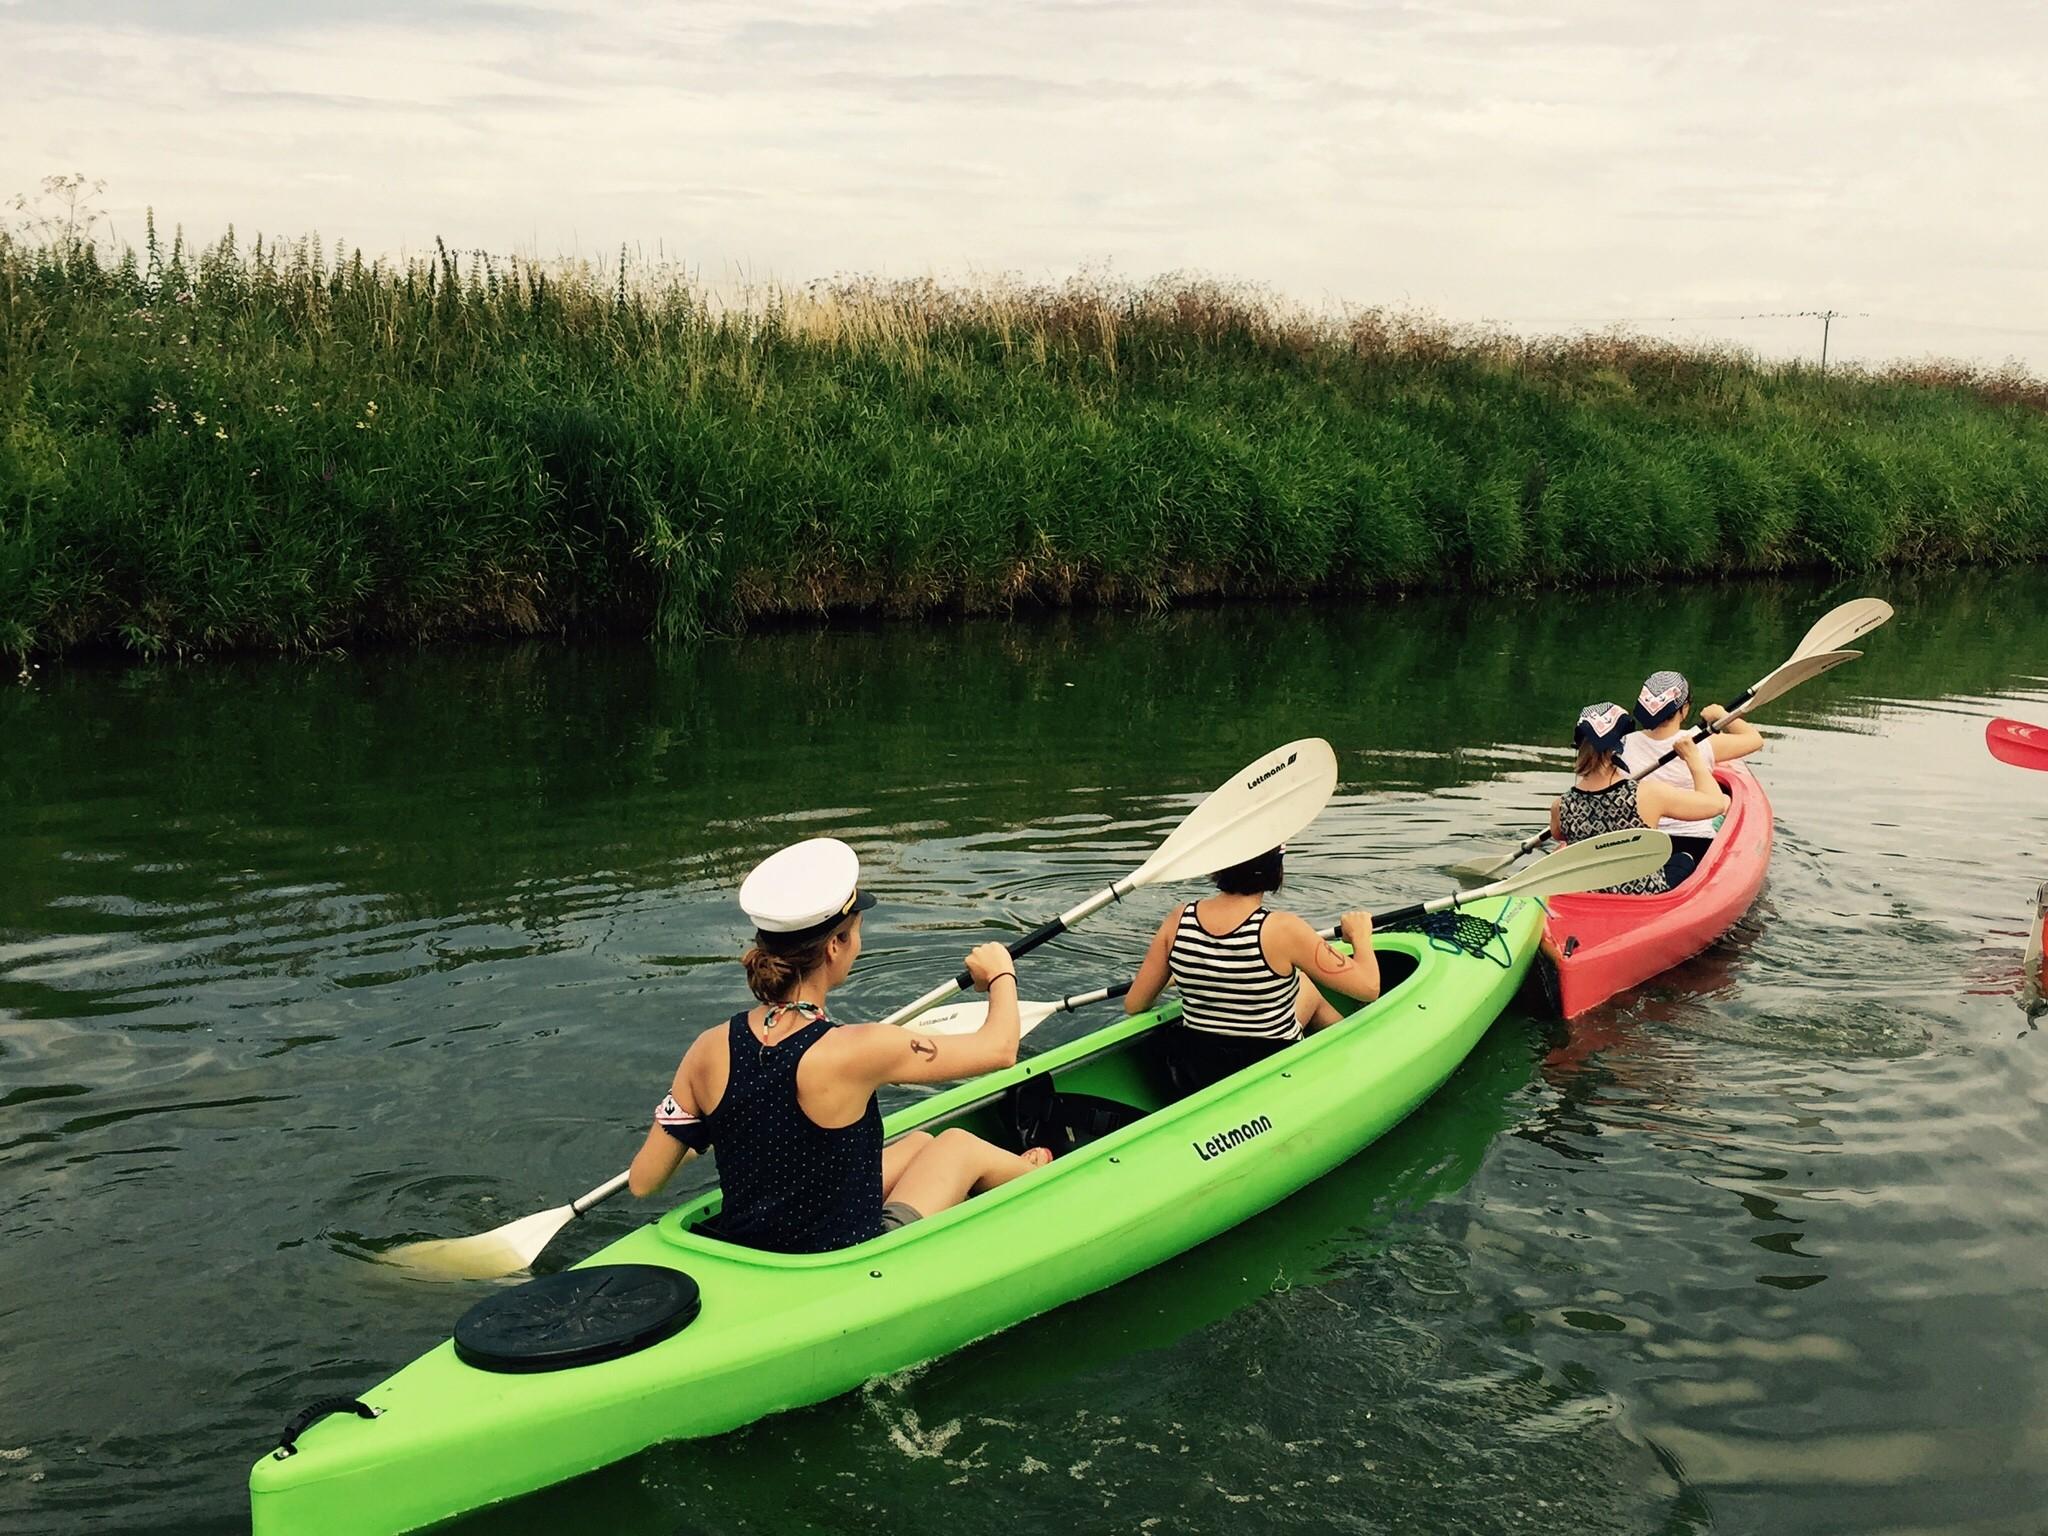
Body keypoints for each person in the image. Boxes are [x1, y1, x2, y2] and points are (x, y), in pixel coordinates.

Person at [627, 837, 1050, 1253]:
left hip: (748, 1248)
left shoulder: (708, 1047)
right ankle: (1036, 1176)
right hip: (841, 1254)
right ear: (835, 946)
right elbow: (999, 1050)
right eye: (856, 934)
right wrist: (1000, 973)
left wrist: (717, 1124)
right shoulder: (860, 1049)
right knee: (957, 1144)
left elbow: (644, 1181)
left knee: (921, 1143)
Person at [1122, 845, 1381, 1094]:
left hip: (1198, 1071)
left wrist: (1183, 974)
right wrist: (1361, 936)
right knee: (1307, 987)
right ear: (1275, 871)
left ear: (1218, 867)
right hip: (1269, 1071)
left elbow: (1134, 1004)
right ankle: (1359, 1059)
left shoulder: (1179, 919)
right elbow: (1368, 988)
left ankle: (1352, 1052)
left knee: (1305, 985)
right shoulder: (1283, 929)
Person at [1550, 703, 1728, 894]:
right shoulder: (1649, 794)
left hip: (1590, 893)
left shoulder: (1560, 805)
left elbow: (1559, 835)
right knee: (1683, 858)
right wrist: (1693, 757)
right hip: (1643, 895)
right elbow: (1716, 804)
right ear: (1620, 745)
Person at [1620, 669, 1765, 883]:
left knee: (1723, 802)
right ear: (1684, 709)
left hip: (1637, 843)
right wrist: (1722, 716)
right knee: (1724, 802)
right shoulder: (1704, 743)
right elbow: (1755, 740)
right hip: (1695, 842)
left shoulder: (1620, 745)